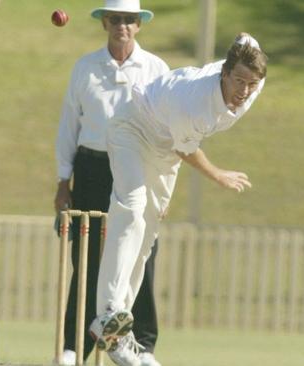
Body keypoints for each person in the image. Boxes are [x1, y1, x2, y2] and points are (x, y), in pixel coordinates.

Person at [89, 33, 267, 365]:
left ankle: (118, 336)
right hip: (133, 128)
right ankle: (107, 312)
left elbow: (249, 41)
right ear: (223, 74)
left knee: (146, 238)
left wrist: (244, 41)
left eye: (252, 83)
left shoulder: (251, 86)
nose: (244, 90)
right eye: (239, 80)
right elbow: (187, 149)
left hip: (165, 150)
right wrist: (219, 174)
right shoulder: (195, 100)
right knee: (132, 209)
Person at [54, 1, 167, 365]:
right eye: (115, 19)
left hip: (137, 168)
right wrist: (62, 180)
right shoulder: (85, 67)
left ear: (139, 25)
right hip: (91, 168)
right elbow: (68, 125)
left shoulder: (156, 69)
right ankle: (74, 348)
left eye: (129, 20)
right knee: (84, 259)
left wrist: (161, 186)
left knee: (141, 256)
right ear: (104, 22)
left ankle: (143, 346)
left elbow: (167, 131)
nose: (122, 26)